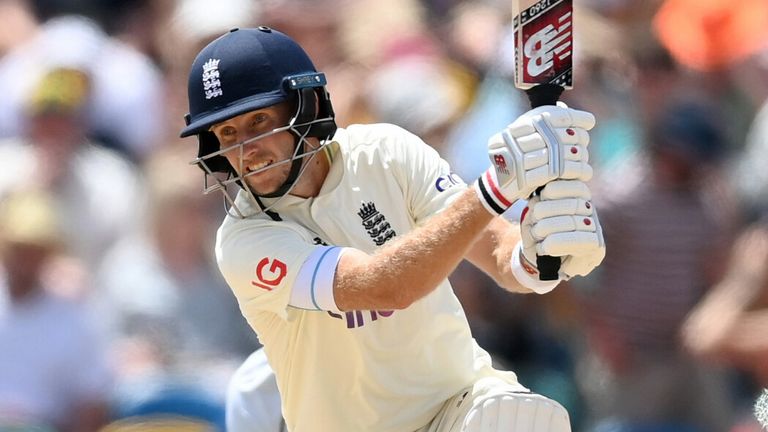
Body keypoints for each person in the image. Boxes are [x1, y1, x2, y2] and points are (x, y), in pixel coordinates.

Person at [179, 26, 605, 432]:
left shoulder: (385, 152)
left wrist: (537, 256)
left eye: (258, 122)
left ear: (306, 107)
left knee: (517, 420)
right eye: (227, 133)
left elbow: (497, 253)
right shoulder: (243, 240)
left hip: (456, 404)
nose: (246, 151)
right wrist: (497, 187)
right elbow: (383, 288)